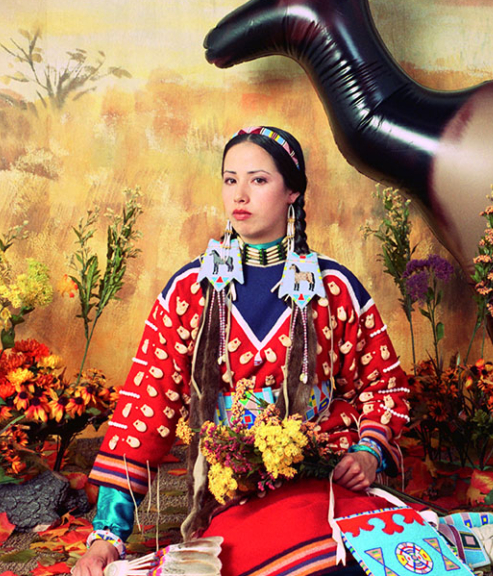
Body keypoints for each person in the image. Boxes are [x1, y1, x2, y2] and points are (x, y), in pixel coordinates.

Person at [72, 126, 413, 576]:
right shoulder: (189, 291)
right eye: (230, 180)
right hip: (232, 491)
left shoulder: (333, 288)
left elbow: (383, 386)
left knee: (360, 557)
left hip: (321, 479)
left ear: (292, 190)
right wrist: (106, 538)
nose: (240, 195)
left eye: (258, 180)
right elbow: (144, 414)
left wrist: (369, 452)